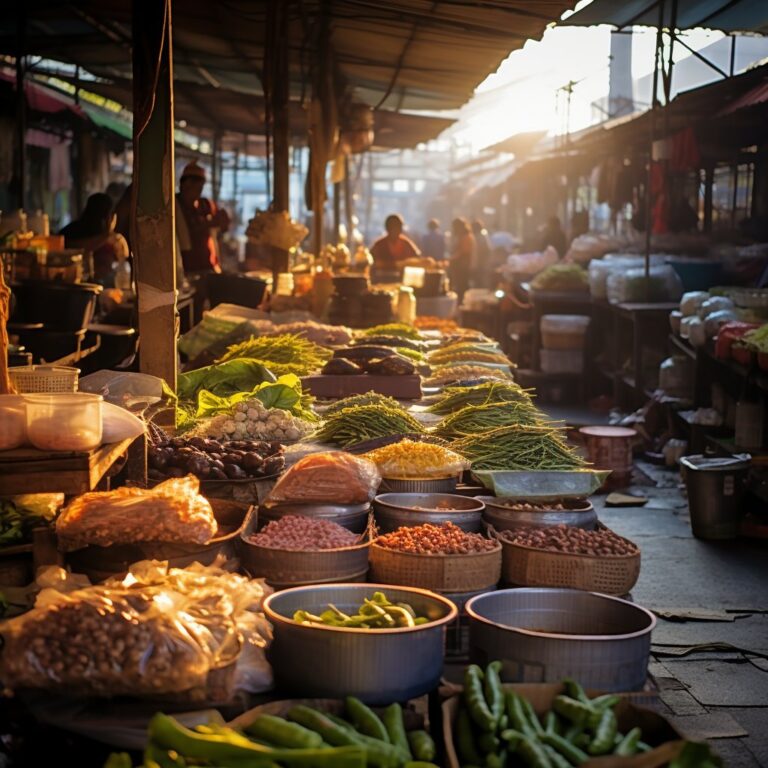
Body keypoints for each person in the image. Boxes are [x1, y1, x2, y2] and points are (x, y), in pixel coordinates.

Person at [59, 193, 129, 286]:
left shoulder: (113, 239)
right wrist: (106, 236)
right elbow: (75, 249)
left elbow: (123, 260)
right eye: (110, 214)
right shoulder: (72, 231)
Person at [175, 161, 223, 275]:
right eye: (189, 185)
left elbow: (220, 230)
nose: (193, 190)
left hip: (208, 266)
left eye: (198, 187)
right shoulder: (173, 205)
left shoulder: (206, 205)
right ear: (182, 185)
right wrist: (208, 224)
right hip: (185, 268)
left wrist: (222, 223)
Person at [449, 217, 475, 302]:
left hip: (463, 265)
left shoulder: (466, 236)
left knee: (462, 285)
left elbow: (463, 251)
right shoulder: (463, 236)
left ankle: (462, 302)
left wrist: (451, 258)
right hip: (461, 265)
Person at [471, 219, 492, 289]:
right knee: (479, 273)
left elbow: (486, 248)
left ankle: (480, 286)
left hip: (480, 258)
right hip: (480, 258)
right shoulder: (481, 236)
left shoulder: (481, 236)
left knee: (480, 273)